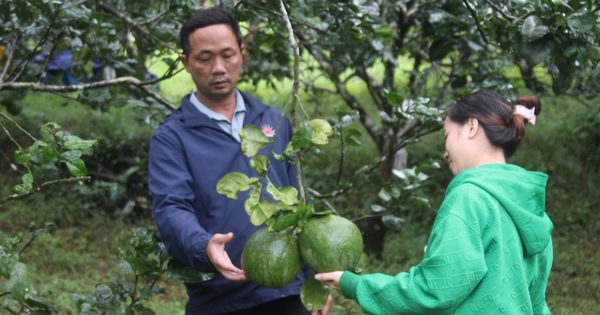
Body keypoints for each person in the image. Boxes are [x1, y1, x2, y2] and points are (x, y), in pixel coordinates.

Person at [148, 7, 330, 315]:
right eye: (204, 59)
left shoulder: (274, 121)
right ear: (186, 63)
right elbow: (171, 208)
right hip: (219, 298)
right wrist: (204, 246)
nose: (218, 67)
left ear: (242, 54)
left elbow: (299, 198)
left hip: (286, 291)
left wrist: (315, 280)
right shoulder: (172, 138)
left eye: (228, 55)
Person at [316, 89, 553, 314]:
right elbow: (536, 302)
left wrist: (354, 285)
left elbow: (435, 290)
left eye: (447, 135)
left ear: (471, 126)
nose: (445, 152)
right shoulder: (531, 207)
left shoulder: (469, 197)